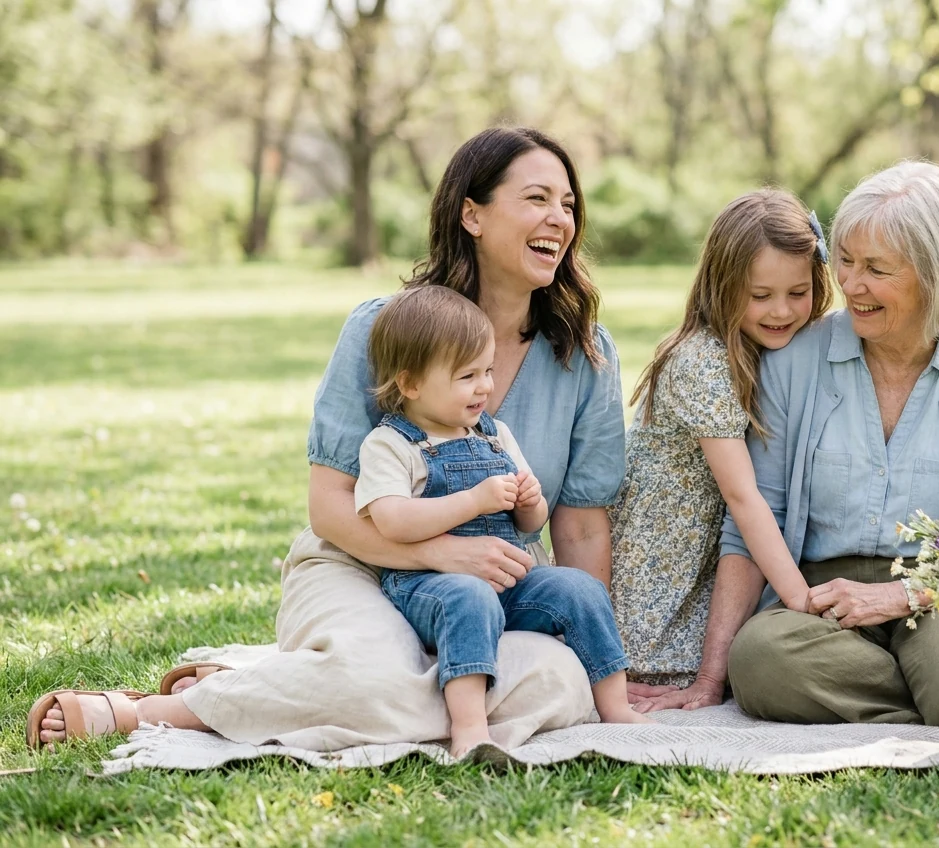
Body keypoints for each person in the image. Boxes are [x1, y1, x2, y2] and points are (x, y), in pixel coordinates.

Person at [29, 127, 626, 753]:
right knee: (372, 683)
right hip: (357, 565)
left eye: (568, 204)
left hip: (490, 592)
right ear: (470, 214)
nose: (559, 219)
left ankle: (276, 687)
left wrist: (593, 651)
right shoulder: (381, 330)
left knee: (564, 683)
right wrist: (438, 554)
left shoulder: (584, 355)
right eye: (537, 198)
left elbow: (580, 528)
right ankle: (159, 711)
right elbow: (332, 506)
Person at [632, 161, 939, 724]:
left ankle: (935, 691)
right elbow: (755, 520)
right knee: (759, 661)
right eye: (846, 261)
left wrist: (903, 597)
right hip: (818, 601)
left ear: (937, 274)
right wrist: (712, 678)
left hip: (936, 597)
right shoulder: (794, 361)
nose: (850, 285)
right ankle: (929, 701)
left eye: (876, 269)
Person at [359, 286, 647, 756]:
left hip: (511, 577)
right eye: (466, 376)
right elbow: (393, 520)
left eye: (488, 371)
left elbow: (531, 521)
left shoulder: (496, 435)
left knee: (579, 588)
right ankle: (470, 727)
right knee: (470, 598)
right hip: (428, 586)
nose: (485, 387)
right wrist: (472, 501)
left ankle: (614, 704)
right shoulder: (391, 444)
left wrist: (530, 500)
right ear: (410, 384)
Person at [610, 189, 835, 695]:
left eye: (798, 293)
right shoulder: (702, 363)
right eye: (760, 296)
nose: (782, 311)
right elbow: (742, 495)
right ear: (722, 285)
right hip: (663, 555)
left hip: (711, 546)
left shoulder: (764, 349)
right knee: (677, 668)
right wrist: (801, 600)